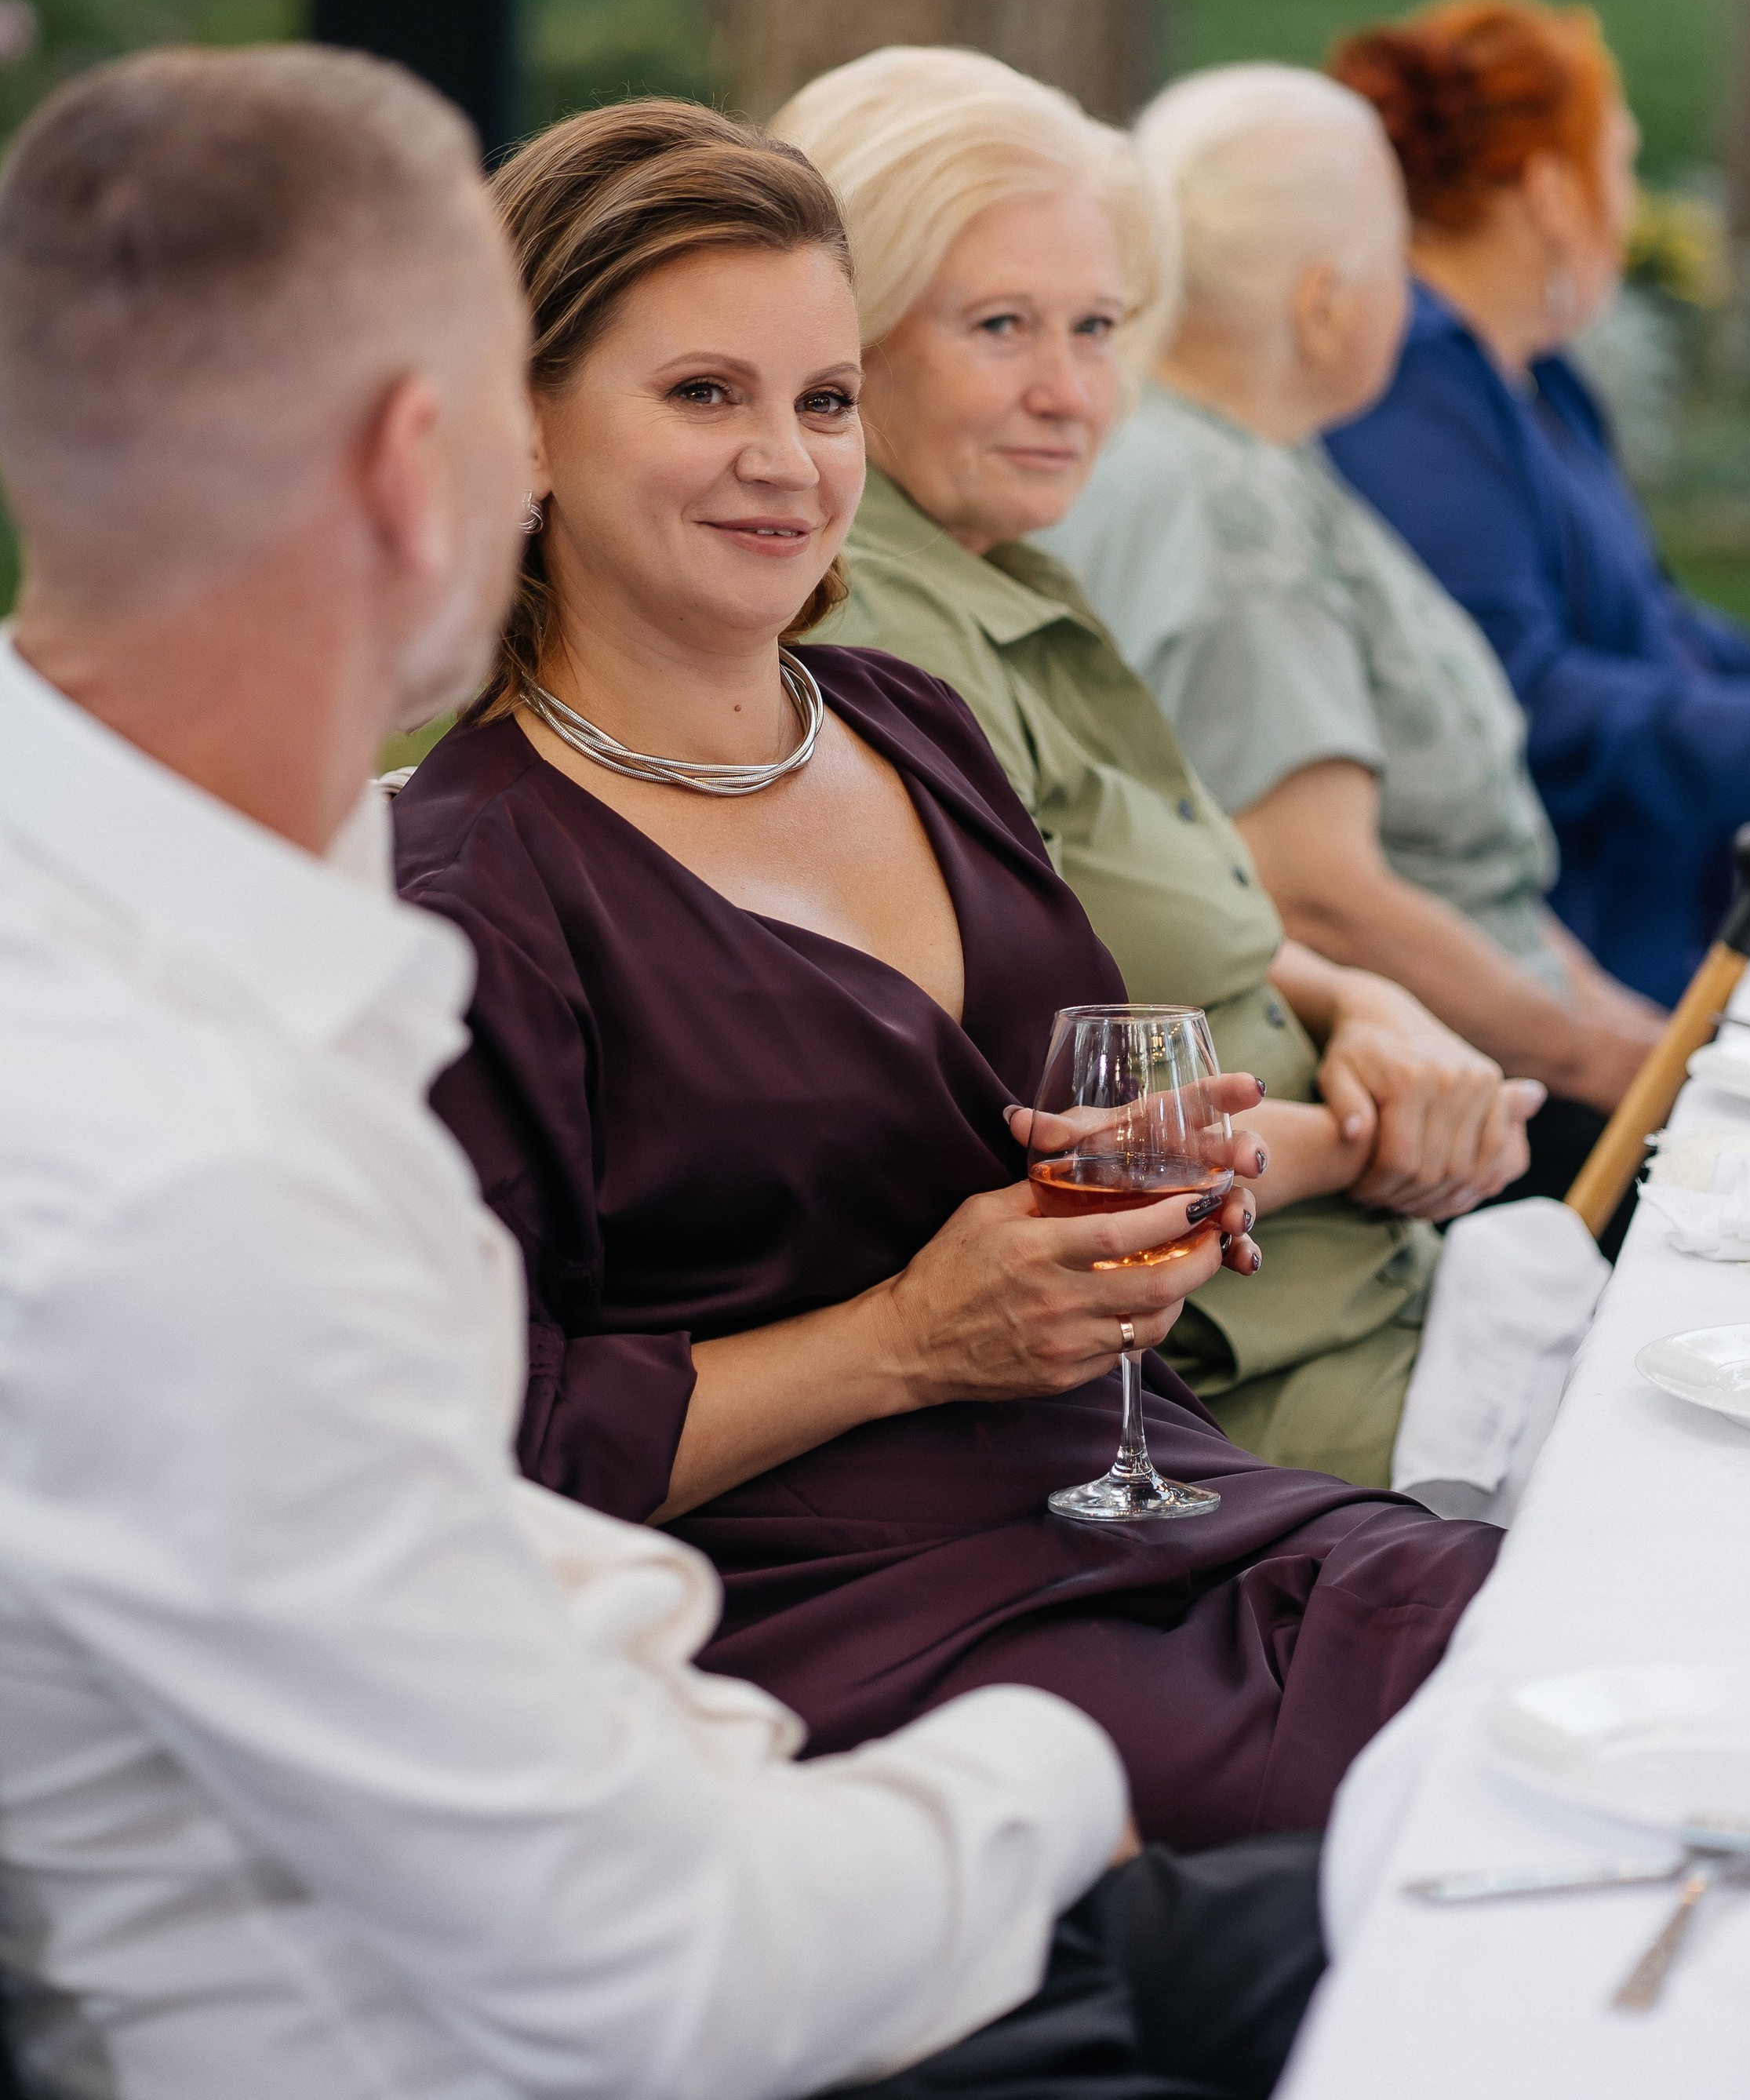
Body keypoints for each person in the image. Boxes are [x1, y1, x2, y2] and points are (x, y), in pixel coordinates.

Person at [0, 47, 1323, 2100]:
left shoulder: (166, 938)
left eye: (820, 398)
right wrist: (1070, 1765)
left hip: (724, 1802)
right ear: (428, 456)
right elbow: (658, 1980)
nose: (785, 460)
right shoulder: (189, 1170)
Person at [394, 95, 1499, 1854]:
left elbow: (1004, 1141)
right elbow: (488, 1441)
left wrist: (1155, 1175)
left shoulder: (909, 724)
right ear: (523, 429)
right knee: (1465, 1790)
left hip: (1150, 1493)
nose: (788, 460)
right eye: (705, 394)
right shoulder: (475, 886)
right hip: (829, 1600)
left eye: (823, 400)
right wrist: (906, 1343)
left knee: (1558, 1636)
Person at [770, 47, 1538, 1481]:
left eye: (1099, 327)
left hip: (1371, 1296)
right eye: (1001, 325)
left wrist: (1364, 1002)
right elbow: (1036, 1136)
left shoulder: (1005, 573)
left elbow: (1173, 920)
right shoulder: (873, 629)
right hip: (1214, 1390)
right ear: (845, 338)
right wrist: (1379, 1134)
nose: (1074, 391)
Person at [1047, 64, 1664, 1210]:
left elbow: (1472, 865)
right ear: (1329, 304)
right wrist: (1623, 1071)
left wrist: (1647, 1034)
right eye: (1400, 262)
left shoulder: (1233, 454)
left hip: (1478, 1065)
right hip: (1445, 1124)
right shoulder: (1234, 517)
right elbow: (1320, 891)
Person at [1322, 0, 1750, 1004]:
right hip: (1563, 948)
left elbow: (1638, 619)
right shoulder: (1418, 386)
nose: (1627, 205)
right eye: (1621, 164)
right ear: (1550, 190)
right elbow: (1515, 689)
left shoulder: (1530, 373)